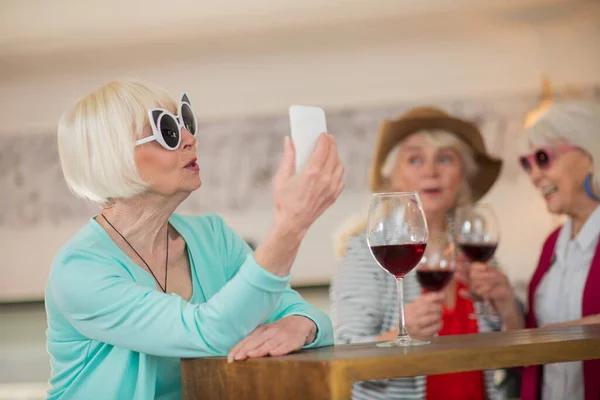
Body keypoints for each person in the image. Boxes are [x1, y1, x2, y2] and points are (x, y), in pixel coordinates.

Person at [45, 80, 344, 400]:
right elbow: (207, 331)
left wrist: (301, 325)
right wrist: (290, 227)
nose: (190, 139)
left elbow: (311, 318)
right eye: (167, 131)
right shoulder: (78, 270)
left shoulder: (212, 236)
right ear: (113, 157)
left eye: (185, 122)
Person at [331, 107, 522, 400]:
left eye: (445, 158)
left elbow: (517, 357)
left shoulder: (474, 248)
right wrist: (401, 335)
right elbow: (345, 355)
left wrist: (508, 305)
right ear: (392, 178)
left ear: (463, 176)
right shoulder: (366, 250)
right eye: (415, 159)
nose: (431, 171)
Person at [469, 101, 600, 400]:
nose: (534, 175)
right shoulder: (553, 243)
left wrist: (556, 335)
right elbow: (529, 352)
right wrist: (506, 304)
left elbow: (546, 337)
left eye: (543, 158)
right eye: (527, 164)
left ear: (591, 155)